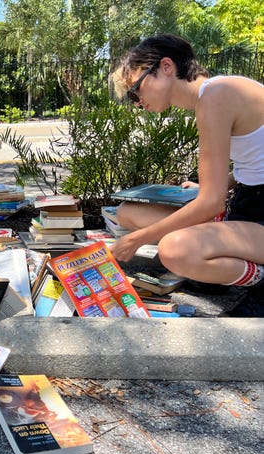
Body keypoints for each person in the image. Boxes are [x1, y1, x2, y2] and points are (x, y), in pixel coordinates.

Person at [110, 34, 264, 316]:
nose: (137, 101)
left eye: (136, 90)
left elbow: (212, 204)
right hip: (248, 204)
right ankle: (226, 268)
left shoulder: (217, 96)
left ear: (166, 67)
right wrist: (217, 183)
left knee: (175, 250)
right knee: (128, 212)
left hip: (258, 213)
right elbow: (255, 162)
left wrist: (137, 239)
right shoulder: (215, 95)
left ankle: (258, 281)